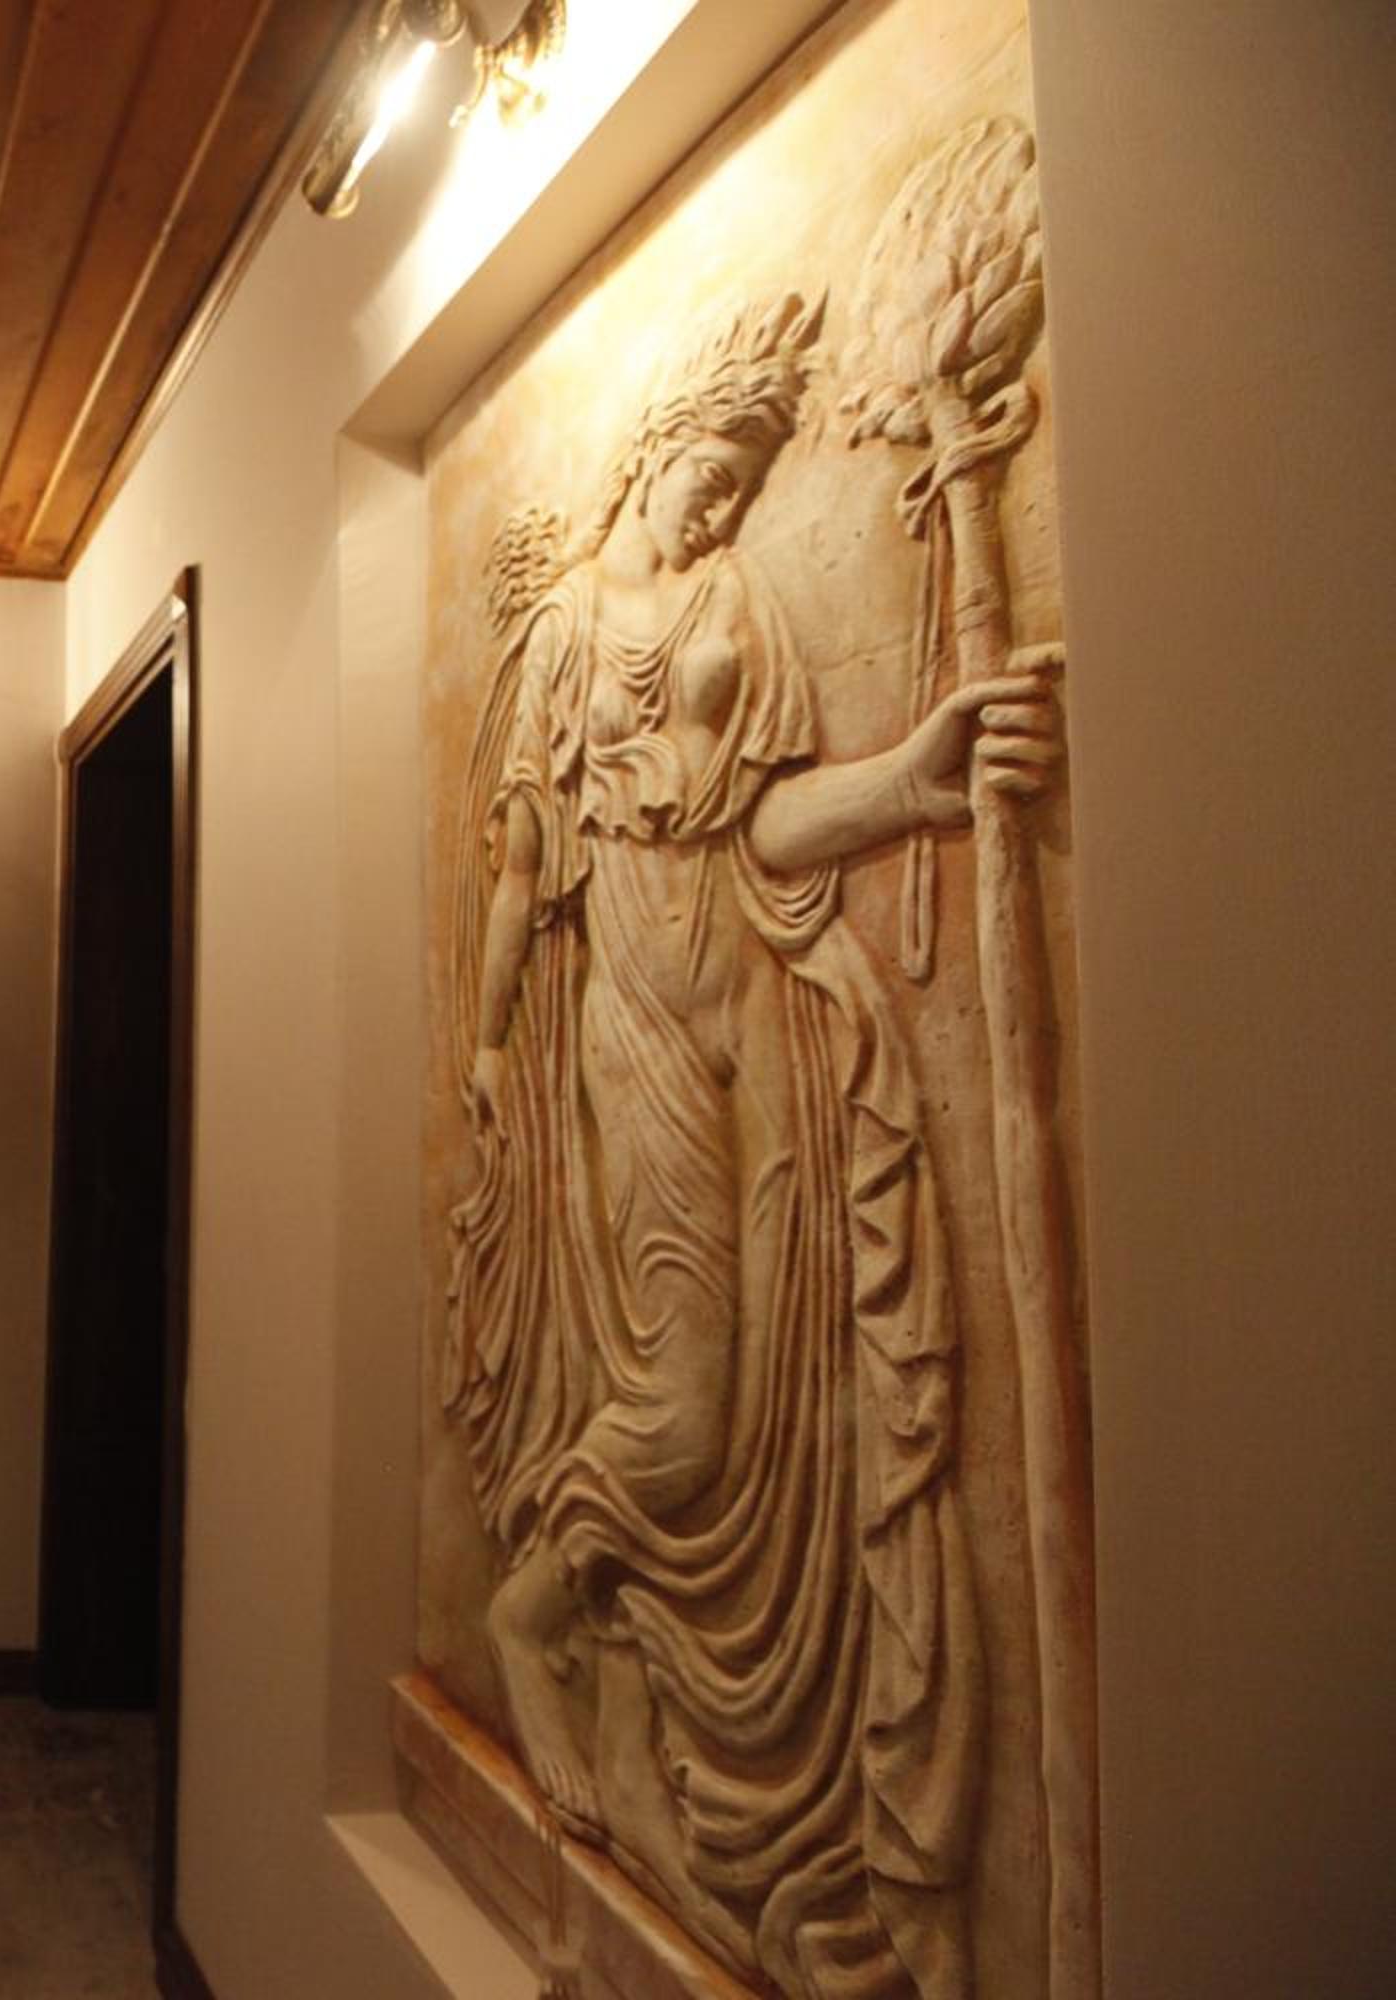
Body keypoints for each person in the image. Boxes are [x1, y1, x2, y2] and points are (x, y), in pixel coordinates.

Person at [445, 293, 1060, 2000]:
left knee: (803, 1398)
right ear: (657, 447)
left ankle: (746, 1771)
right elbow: (522, 868)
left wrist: (914, 780)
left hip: (761, 1003)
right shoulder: (566, 634)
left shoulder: (737, 602)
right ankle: (536, 1609)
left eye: (746, 480)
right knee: (689, 1400)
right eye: (710, 469)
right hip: (634, 1018)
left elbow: (772, 816)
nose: (722, 503)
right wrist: (486, 1042)